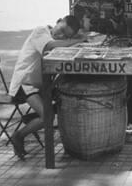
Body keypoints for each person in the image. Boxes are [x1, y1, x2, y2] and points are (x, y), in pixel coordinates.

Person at [9, 15, 84, 158]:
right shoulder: (40, 31)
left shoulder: (60, 40)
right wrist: (76, 40)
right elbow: (50, 46)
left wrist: (75, 38)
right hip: (25, 83)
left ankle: (33, 118)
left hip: (41, 84)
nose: (60, 35)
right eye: (61, 30)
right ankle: (19, 135)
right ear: (58, 21)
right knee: (48, 116)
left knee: (72, 96)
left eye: (65, 36)